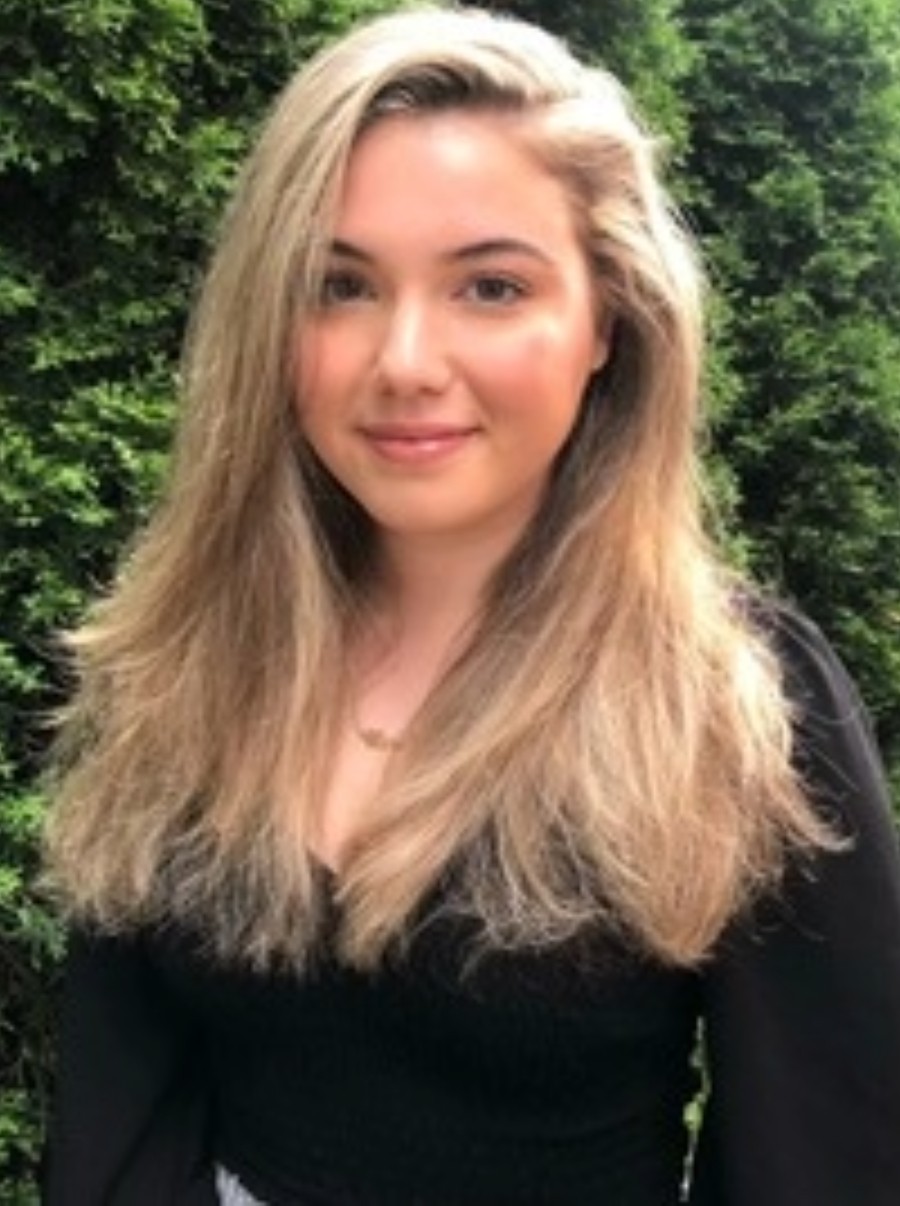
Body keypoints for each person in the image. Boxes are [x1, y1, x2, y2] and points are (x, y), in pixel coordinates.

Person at [41, 6, 900, 1204]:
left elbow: (828, 1157)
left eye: (490, 287)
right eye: (340, 286)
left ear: (607, 320)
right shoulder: (190, 656)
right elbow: (118, 1105)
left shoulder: (736, 705)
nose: (404, 360)